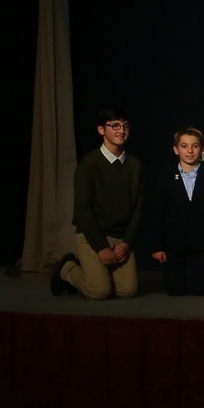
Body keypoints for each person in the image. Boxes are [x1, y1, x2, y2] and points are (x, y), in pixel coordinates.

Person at [52, 109, 143, 301]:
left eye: (125, 126)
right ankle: (68, 268)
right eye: (115, 126)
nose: (121, 131)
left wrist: (126, 243)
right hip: (93, 235)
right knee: (99, 292)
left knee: (127, 291)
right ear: (102, 130)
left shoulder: (134, 165)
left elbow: (138, 208)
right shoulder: (89, 164)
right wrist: (101, 247)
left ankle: (103, 272)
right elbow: (83, 211)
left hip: (121, 238)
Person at [147, 127, 204, 297]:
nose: (190, 151)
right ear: (176, 149)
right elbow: (156, 213)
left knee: (201, 291)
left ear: (202, 149)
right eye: (184, 146)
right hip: (174, 247)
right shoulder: (165, 176)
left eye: (195, 146)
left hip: (202, 247)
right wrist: (156, 246)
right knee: (176, 291)